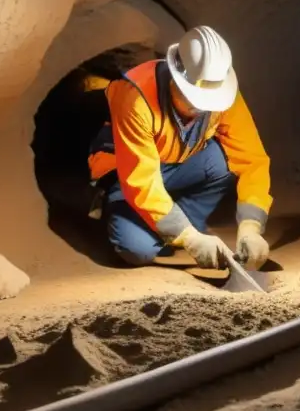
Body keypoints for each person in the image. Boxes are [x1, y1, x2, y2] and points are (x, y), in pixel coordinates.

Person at [87, 26, 272, 270]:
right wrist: (190, 238)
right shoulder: (135, 95)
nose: (202, 108)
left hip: (178, 165)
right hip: (127, 174)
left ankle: (173, 223)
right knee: (136, 249)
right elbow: (141, 181)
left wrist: (251, 227)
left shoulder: (222, 91)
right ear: (176, 78)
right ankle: (119, 209)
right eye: (195, 99)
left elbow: (252, 160)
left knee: (222, 162)